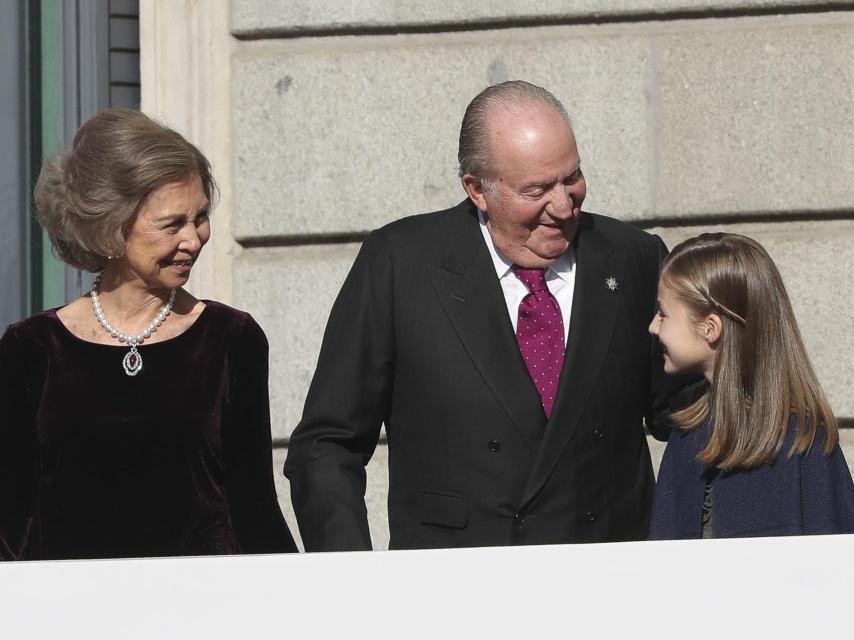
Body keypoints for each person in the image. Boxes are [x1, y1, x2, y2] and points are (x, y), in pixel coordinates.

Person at [284, 80, 689, 551]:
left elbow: (689, 417)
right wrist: (353, 581)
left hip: (603, 577)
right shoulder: (402, 264)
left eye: (572, 177)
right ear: (477, 189)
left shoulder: (634, 259)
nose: (563, 206)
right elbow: (328, 444)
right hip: (453, 583)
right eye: (537, 189)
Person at [0, 108, 297, 560]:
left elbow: (253, 506)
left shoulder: (231, 338)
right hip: (67, 616)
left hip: (203, 612)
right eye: (171, 224)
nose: (194, 239)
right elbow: (10, 517)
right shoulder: (31, 348)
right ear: (109, 230)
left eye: (199, 217)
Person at [648, 233, 854, 539]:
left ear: (710, 328)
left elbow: (836, 570)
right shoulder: (686, 440)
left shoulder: (805, 443)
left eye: (664, 314)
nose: (653, 326)